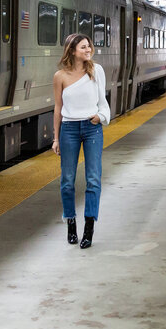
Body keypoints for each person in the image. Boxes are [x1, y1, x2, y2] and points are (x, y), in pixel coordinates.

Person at [52, 33, 111, 249]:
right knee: (67, 180)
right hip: (68, 129)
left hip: (92, 127)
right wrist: (56, 138)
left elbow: (102, 100)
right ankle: (70, 222)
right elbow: (58, 108)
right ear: (72, 50)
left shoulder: (96, 71)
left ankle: (89, 228)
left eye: (89, 46)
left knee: (93, 179)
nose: (88, 50)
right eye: (84, 47)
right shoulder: (60, 76)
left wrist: (100, 117)